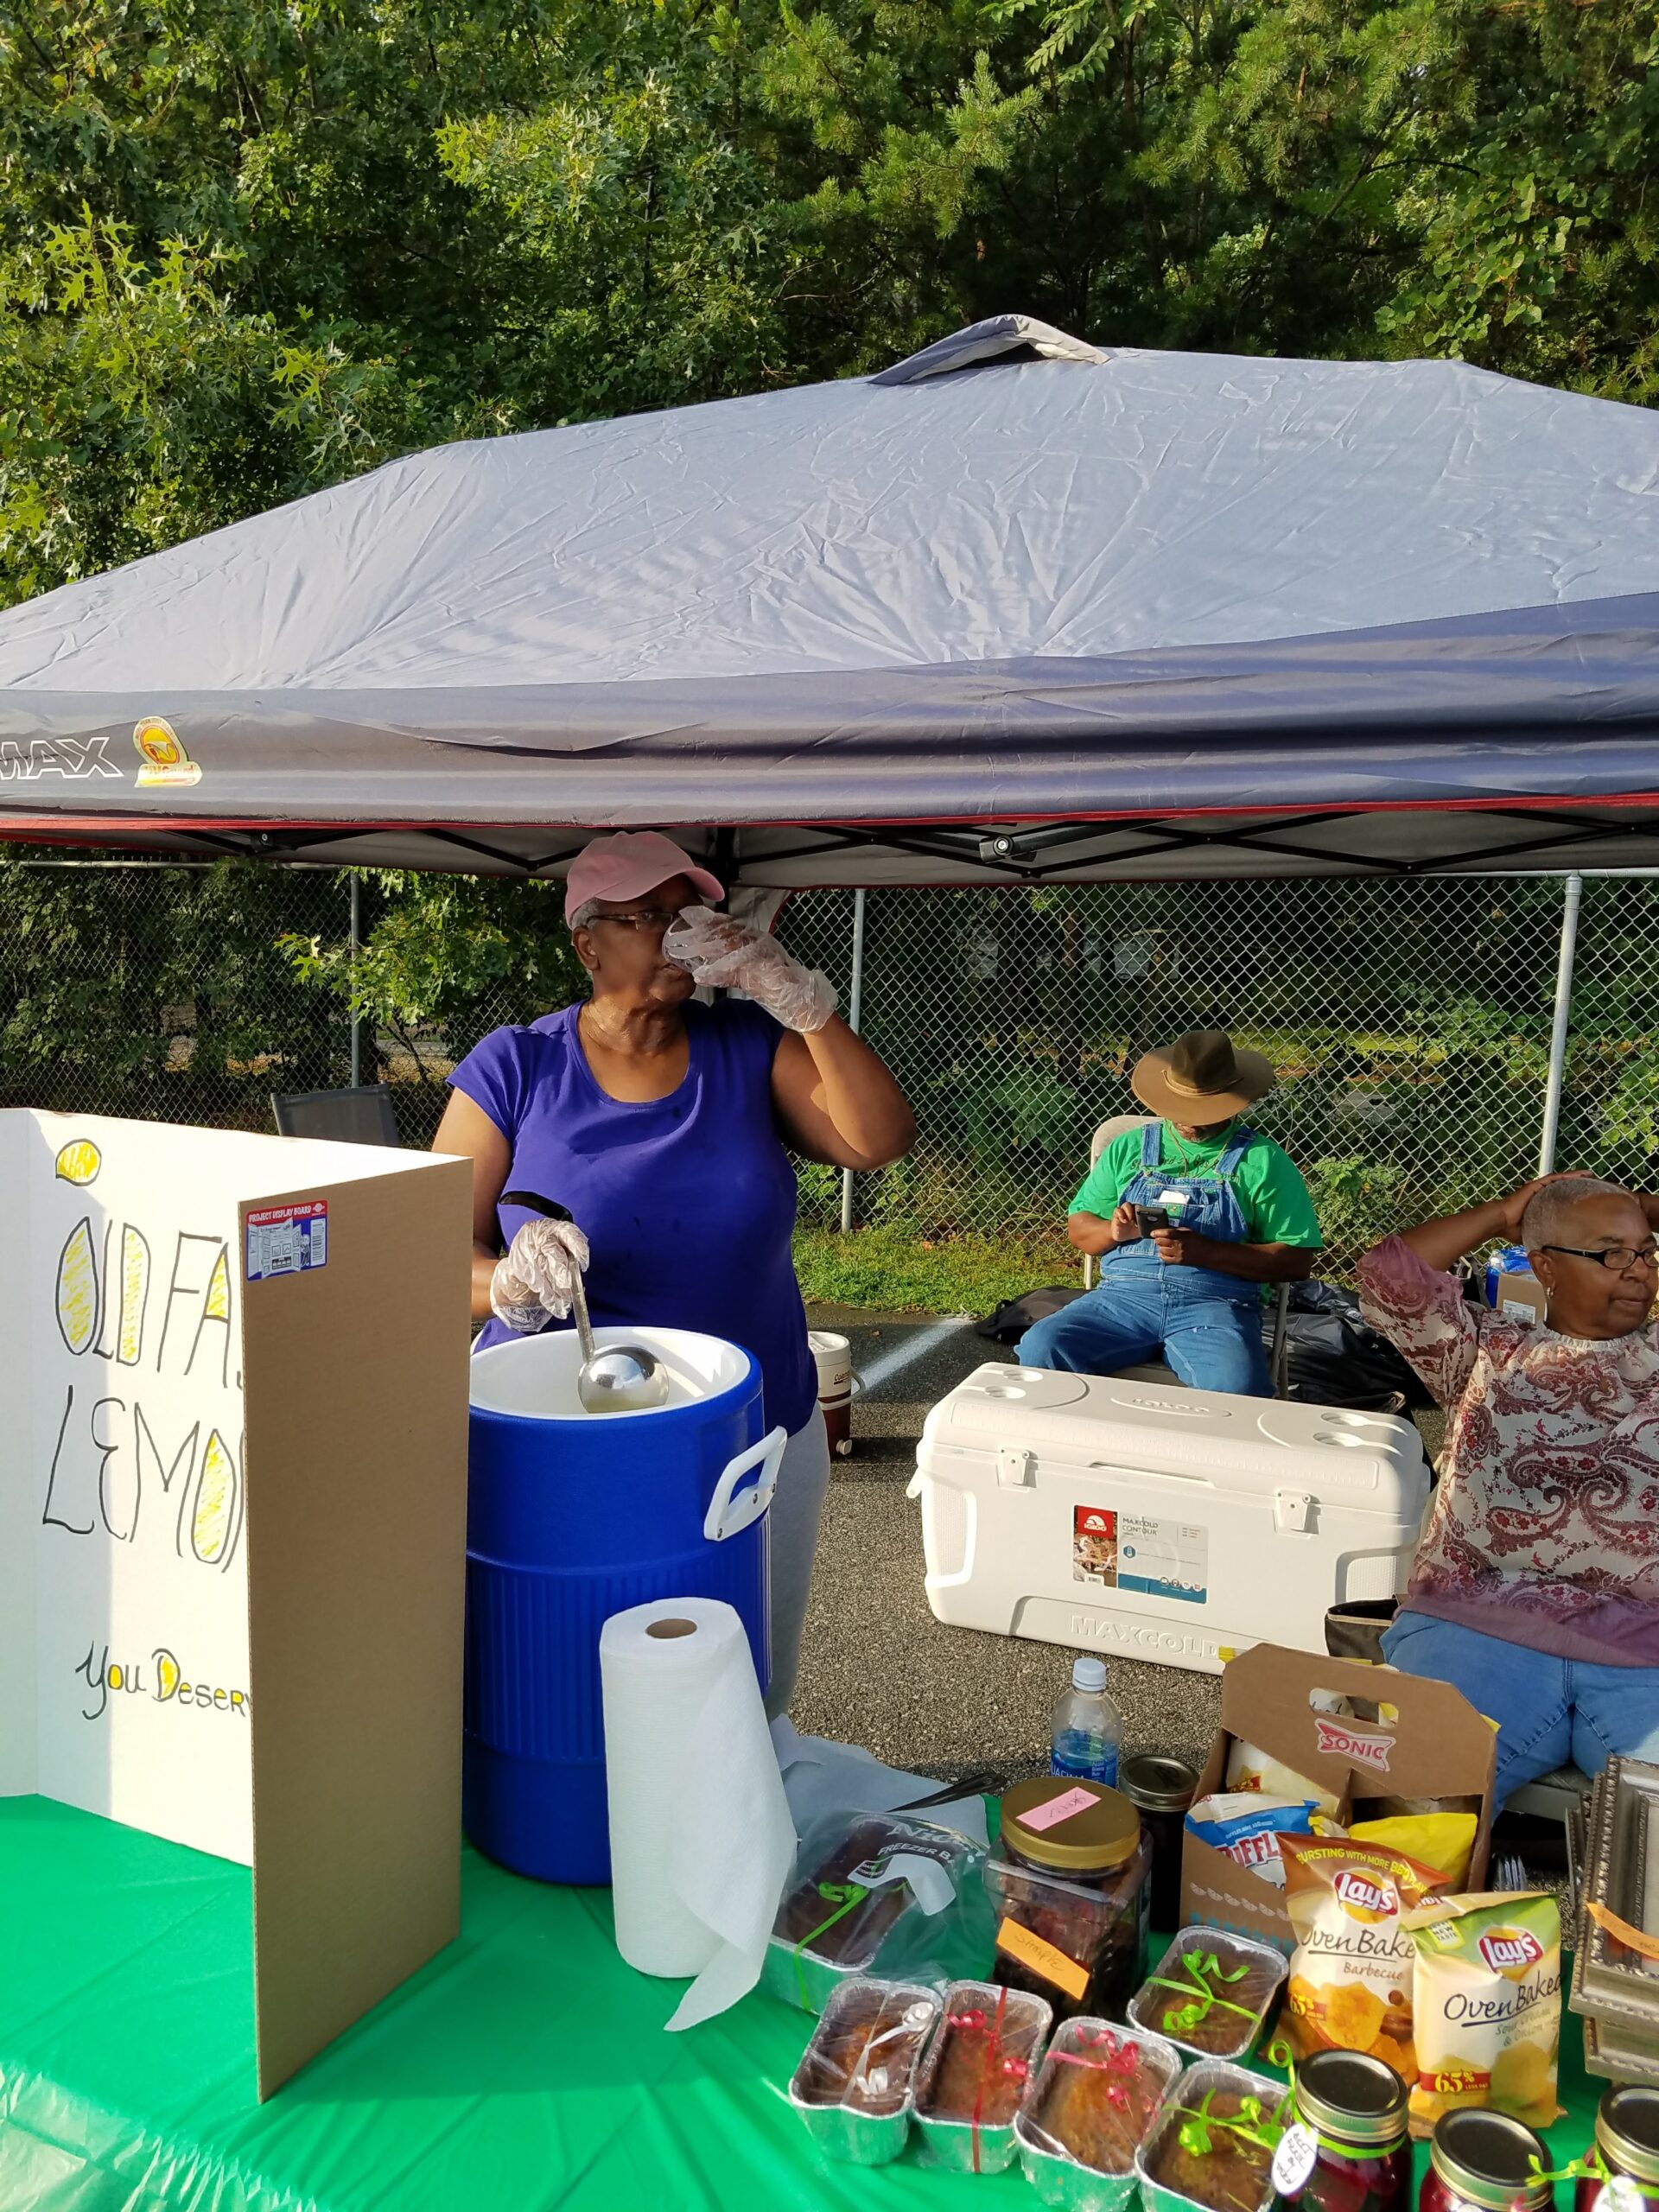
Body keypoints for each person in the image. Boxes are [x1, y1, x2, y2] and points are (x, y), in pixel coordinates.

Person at [434, 830, 916, 1718]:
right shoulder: (519, 1064)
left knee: (740, 1683)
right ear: (587, 942)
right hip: (564, 1438)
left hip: (753, 1430)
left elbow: (876, 1141)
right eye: (650, 916)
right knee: (560, 1681)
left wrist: (806, 1008)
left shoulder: (748, 1046)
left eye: (689, 913)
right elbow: (427, 1249)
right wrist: (505, 1284)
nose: (681, 933)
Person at [1359, 1172, 1659, 1803]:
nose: (1638, 1271)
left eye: (1646, 1252)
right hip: (1479, 1627)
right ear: (1545, 1267)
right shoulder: (1486, 1350)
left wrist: (1642, 1211)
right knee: (1412, 1804)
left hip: (1644, 1649)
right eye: (1611, 1254)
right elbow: (1390, 1275)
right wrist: (1502, 1214)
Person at [1016, 1028, 1321, 1395]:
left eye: (1204, 1107)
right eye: (1181, 1106)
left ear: (1233, 1101)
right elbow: (1079, 1229)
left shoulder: (1262, 1161)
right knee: (1043, 1345)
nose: (1190, 1118)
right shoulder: (1128, 1148)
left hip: (1214, 1308)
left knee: (1237, 1387)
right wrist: (1113, 1231)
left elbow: (1297, 1260)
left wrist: (1209, 1253)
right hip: (1120, 1300)